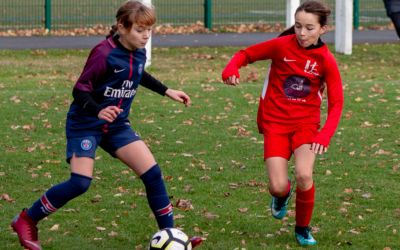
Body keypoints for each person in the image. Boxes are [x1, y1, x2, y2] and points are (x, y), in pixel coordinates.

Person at [10, 1, 202, 249]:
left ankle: (170, 237)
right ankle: (27, 219)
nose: (145, 36)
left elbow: (138, 73)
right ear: (122, 27)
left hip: (117, 125)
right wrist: (99, 110)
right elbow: (79, 90)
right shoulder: (103, 53)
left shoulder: (139, 51)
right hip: (86, 123)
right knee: (80, 182)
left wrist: (167, 91)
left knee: (152, 174)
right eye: (139, 30)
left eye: (149, 30)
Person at [222, 0, 343, 246]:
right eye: (298, 26)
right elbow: (246, 54)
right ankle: (282, 196)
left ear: (322, 29)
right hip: (275, 125)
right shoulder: (281, 46)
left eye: (309, 28)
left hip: (305, 126)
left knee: (304, 175)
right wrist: (231, 69)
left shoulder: (326, 60)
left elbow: (337, 103)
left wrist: (324, 135)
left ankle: (302, 229)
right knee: (277, 186)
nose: (302, 33)